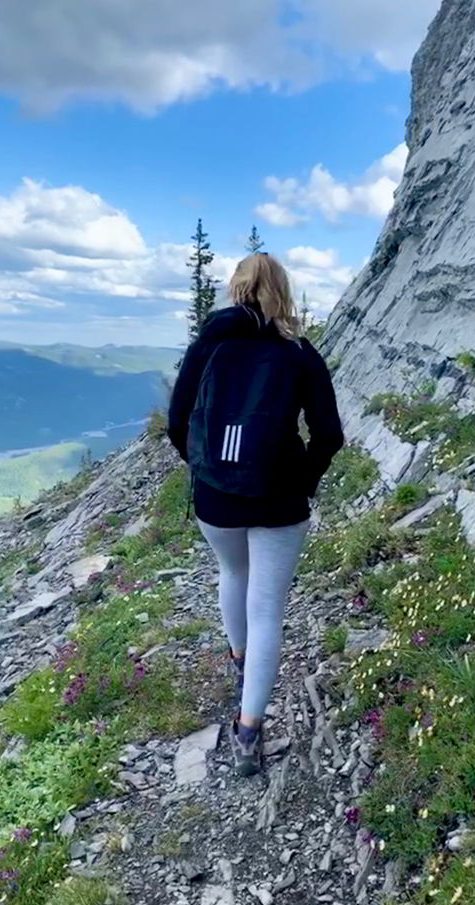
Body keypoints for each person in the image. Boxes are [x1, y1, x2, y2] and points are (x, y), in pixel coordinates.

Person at [167, 253, 344, 775]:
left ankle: (239, 659)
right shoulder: (299, 353)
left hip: (216, 498)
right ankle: (248, 731)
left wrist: (207, 473)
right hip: (280, 497)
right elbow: (329, 434)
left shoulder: (209, 345)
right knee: (268, 607)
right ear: (281, 293)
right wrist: (303, 480)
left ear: (236, 288)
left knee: (231, 571)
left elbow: (179, 421)